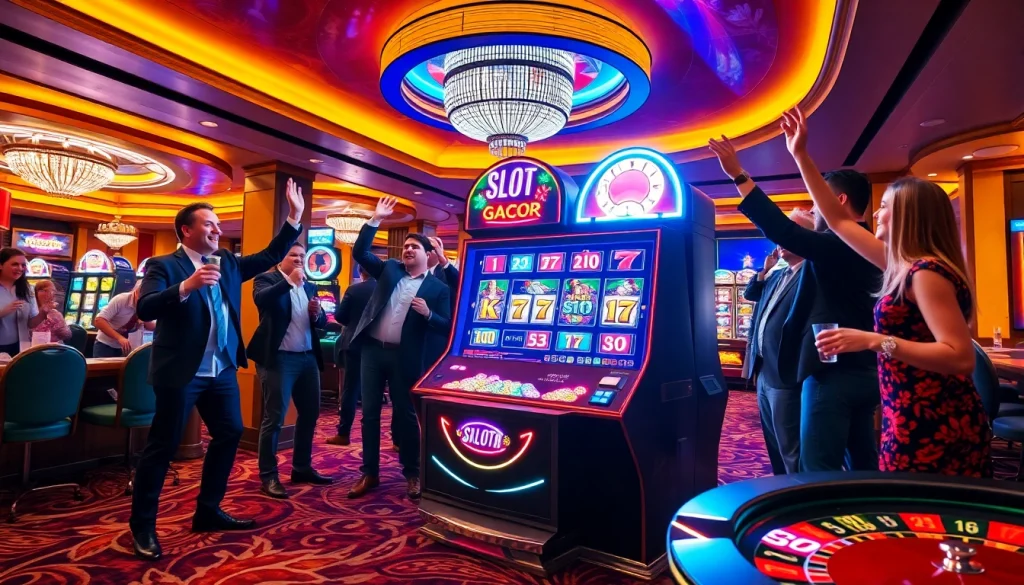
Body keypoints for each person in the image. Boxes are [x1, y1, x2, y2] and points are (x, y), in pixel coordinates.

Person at [779, 107, 991, 477]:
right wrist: (800, 156)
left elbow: (959, 358)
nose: (876, 214)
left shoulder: (926, 273)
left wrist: (874, 340)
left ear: (909, 216)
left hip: (936, 418)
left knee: (926, 518)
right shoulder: (902, 266)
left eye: (885, 208)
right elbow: (839, 219)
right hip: (907, 408)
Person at [128, 178, 305, 561]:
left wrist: (294, 216)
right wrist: (186, 286)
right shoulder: (164, 264)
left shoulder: (225, 261)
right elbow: (145, 309)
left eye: (218, 224)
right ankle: (142, 526)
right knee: (163, 447)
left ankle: (208, 510)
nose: (217, 229)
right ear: (186, 230)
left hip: (221, 369)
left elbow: (270, 254)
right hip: (182, 371)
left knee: (230, 433)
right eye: (209, 224)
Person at [709, 132, 881, 474]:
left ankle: (816, 524)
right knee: (861, 462)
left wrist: (739, 176)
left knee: (815, 468)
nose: (815, 208)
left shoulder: (841, 244)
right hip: (856, 370)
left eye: (819, 201)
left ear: (840, 201)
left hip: (833, 373)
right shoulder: (864, 244)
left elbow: (784, 232)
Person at [347, 196, 451, 500]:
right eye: (405, 246)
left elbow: (447, 324)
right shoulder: (390, 270)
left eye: (414, 247)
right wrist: (375, 219)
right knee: (369, 415)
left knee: (405, 415)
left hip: (405, 356)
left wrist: (428, 314)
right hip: (372, 352)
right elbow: (360, 252)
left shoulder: (438, 288)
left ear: (428, 255)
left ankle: (412, 473)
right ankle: (369, 472)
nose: (407, 250)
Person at [248, 243, 332, 499]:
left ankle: (301, 467)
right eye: (293, 255)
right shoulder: (266, 279)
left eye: (302, 256)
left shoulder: (308, 285)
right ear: (279, 260)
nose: (298, 259)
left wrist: (317, 315)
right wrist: (288, 282)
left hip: (307, 358)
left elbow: (319, 323)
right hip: (279, 359)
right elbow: (261, 300)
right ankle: (269, 476)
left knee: (310, 414)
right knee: (274, 418)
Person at [742, 211, 814, 475]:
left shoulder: (812, 274)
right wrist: (765, 269)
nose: (781, 239)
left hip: (786, 372)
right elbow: (751, 294)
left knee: (790, 446)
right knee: (773, 442)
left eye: (790, 231)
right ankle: (780, 488)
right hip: (764, 369)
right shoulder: (778, 275)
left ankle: (798, 497)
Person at [326, 265, 376, 446]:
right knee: (374, 392)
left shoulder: (354, 289)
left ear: (361, 272)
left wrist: (353, 323)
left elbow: (339, 316)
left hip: (353, 343)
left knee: (350, 390)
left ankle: (344, 433)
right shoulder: (386, 289)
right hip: (377, 345)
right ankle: (391, 439)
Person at [0, 248, 48, 355]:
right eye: (15, 264)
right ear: (1, 265)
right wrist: (4, 312)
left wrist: (43, 313)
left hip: (20, 347)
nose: (20, 268)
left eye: (23, 265)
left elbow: (31, 323)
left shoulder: (27, 289)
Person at [93, 282, 155, 357]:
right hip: (105, 346)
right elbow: (98, 321)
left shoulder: (145, 305)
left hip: (128, 348)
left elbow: (149, 325)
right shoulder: (121, 299)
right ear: (135, 292)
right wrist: (119, 338)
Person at [30, 278, 72, 343]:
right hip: (34, 349)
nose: (50, 294)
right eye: (45, 290)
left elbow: (67, 335)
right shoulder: (30, 311)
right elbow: (27, 333)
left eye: (53, 291)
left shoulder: (55, 313)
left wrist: (62, 331)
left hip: (54, 350)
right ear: (35, 293)